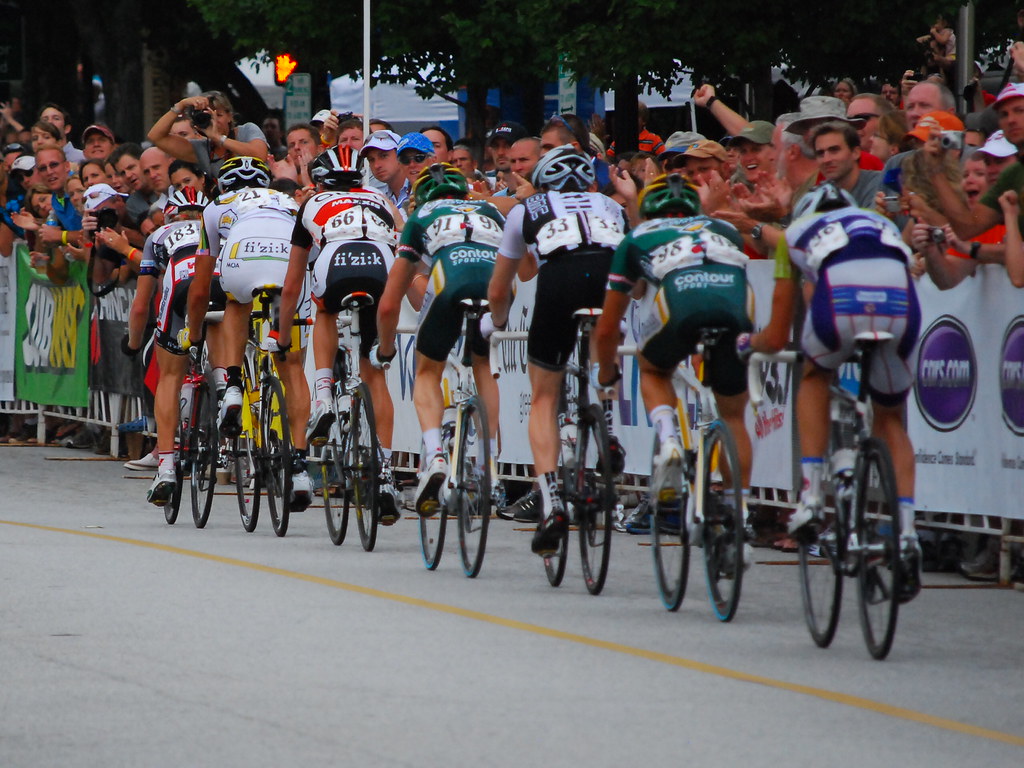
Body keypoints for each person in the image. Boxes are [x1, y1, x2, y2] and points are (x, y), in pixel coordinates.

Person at [741, 182, 922, 602]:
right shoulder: (881, 223)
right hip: (898, 304)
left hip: (841, 300)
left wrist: (748, 343)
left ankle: (809, 495)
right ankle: (908, 532)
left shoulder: (795, 234)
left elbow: (778, 330)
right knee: (891, 418)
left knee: (811, 375)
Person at [594, 173, 755, 568]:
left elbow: (609, 323)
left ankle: (669, 440)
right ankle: (740, 514)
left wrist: (605, 370)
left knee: (653, 368)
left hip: (681, 301)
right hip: (737, 304)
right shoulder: (723, 227)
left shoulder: (639, 235)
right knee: (734, 414)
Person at [487, 146, 630, 555]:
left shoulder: (527, 208)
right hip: (607, 274)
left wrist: (497, 323)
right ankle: (609, 427)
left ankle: (551, 502)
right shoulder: (609, 204)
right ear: (589, 181)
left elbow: (500, 289)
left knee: (544, 397)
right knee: (607, 342)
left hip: (560, 278)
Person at [276, 146, 404, 523]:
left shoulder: (312, 203)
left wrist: (283, 336)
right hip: (382, 266)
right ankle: (384, 477)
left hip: (337, 261)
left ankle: (323, 397)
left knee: (325, 310)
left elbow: (291, 286)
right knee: (374, 376)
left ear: (320, 181)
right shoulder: (381, 199)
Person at [183, 156, 315, 511]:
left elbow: (198, 289)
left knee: (235, 302)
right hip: (287, 261)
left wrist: (194, 336)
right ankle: (300, 468)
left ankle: (234, 386)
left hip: (243, 258)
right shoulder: (290, 201)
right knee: (292, 368)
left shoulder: (215, 207)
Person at [375, 163, 503, 515]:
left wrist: (385, 350)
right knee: (482, 363)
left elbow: (388, 305)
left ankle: (433, 456)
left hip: (450, 285)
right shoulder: (489, 209)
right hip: (494, 289)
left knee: (427, 371)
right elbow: (521, 272)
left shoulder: (421, 216)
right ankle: (489, 466)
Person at [107, 186, 210, 504]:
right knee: (227, 358)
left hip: (181, 287)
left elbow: (141, 305)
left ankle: (166, 465)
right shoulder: (219, 226)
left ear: (170, 214)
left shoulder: (160, 235)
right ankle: (230, 400)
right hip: (218, 285)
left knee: (169, 376)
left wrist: (133, 343)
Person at [147, 90, 269, 179]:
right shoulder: (201, 149)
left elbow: (260, 155)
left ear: (230, 116)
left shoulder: (247, 130)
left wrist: (219, 138)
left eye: (219, 115)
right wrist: (181, 105)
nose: (214, 121)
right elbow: (156, 136)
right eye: (209, 116)